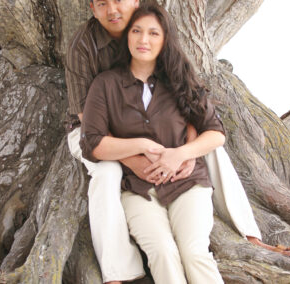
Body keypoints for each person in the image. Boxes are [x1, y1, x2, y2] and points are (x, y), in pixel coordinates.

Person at [65, 1, 290, 282]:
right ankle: (118, 272)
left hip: (161, 138)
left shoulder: (151, 36)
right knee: (106, 174)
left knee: (213, 150)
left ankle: (249, 235)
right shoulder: (85, 47)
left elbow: (193, 112)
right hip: (92, 129)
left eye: (119, 0)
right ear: (93, 8)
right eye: (102, 3)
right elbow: (91, 129)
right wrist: (135, 159)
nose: (112, 10)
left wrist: (184, 153)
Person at [80, 4, 226, 283]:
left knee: (194, 252)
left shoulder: (180, 80)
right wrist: (140, 145)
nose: (143, 40)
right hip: (138, 190)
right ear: (127, 37)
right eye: (136, 31)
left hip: (187, 183)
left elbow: (216, 133)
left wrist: (182, 154)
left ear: (164, 40)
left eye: (152, 33)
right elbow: (92, 143)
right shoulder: (105, 84)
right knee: (162, 251)